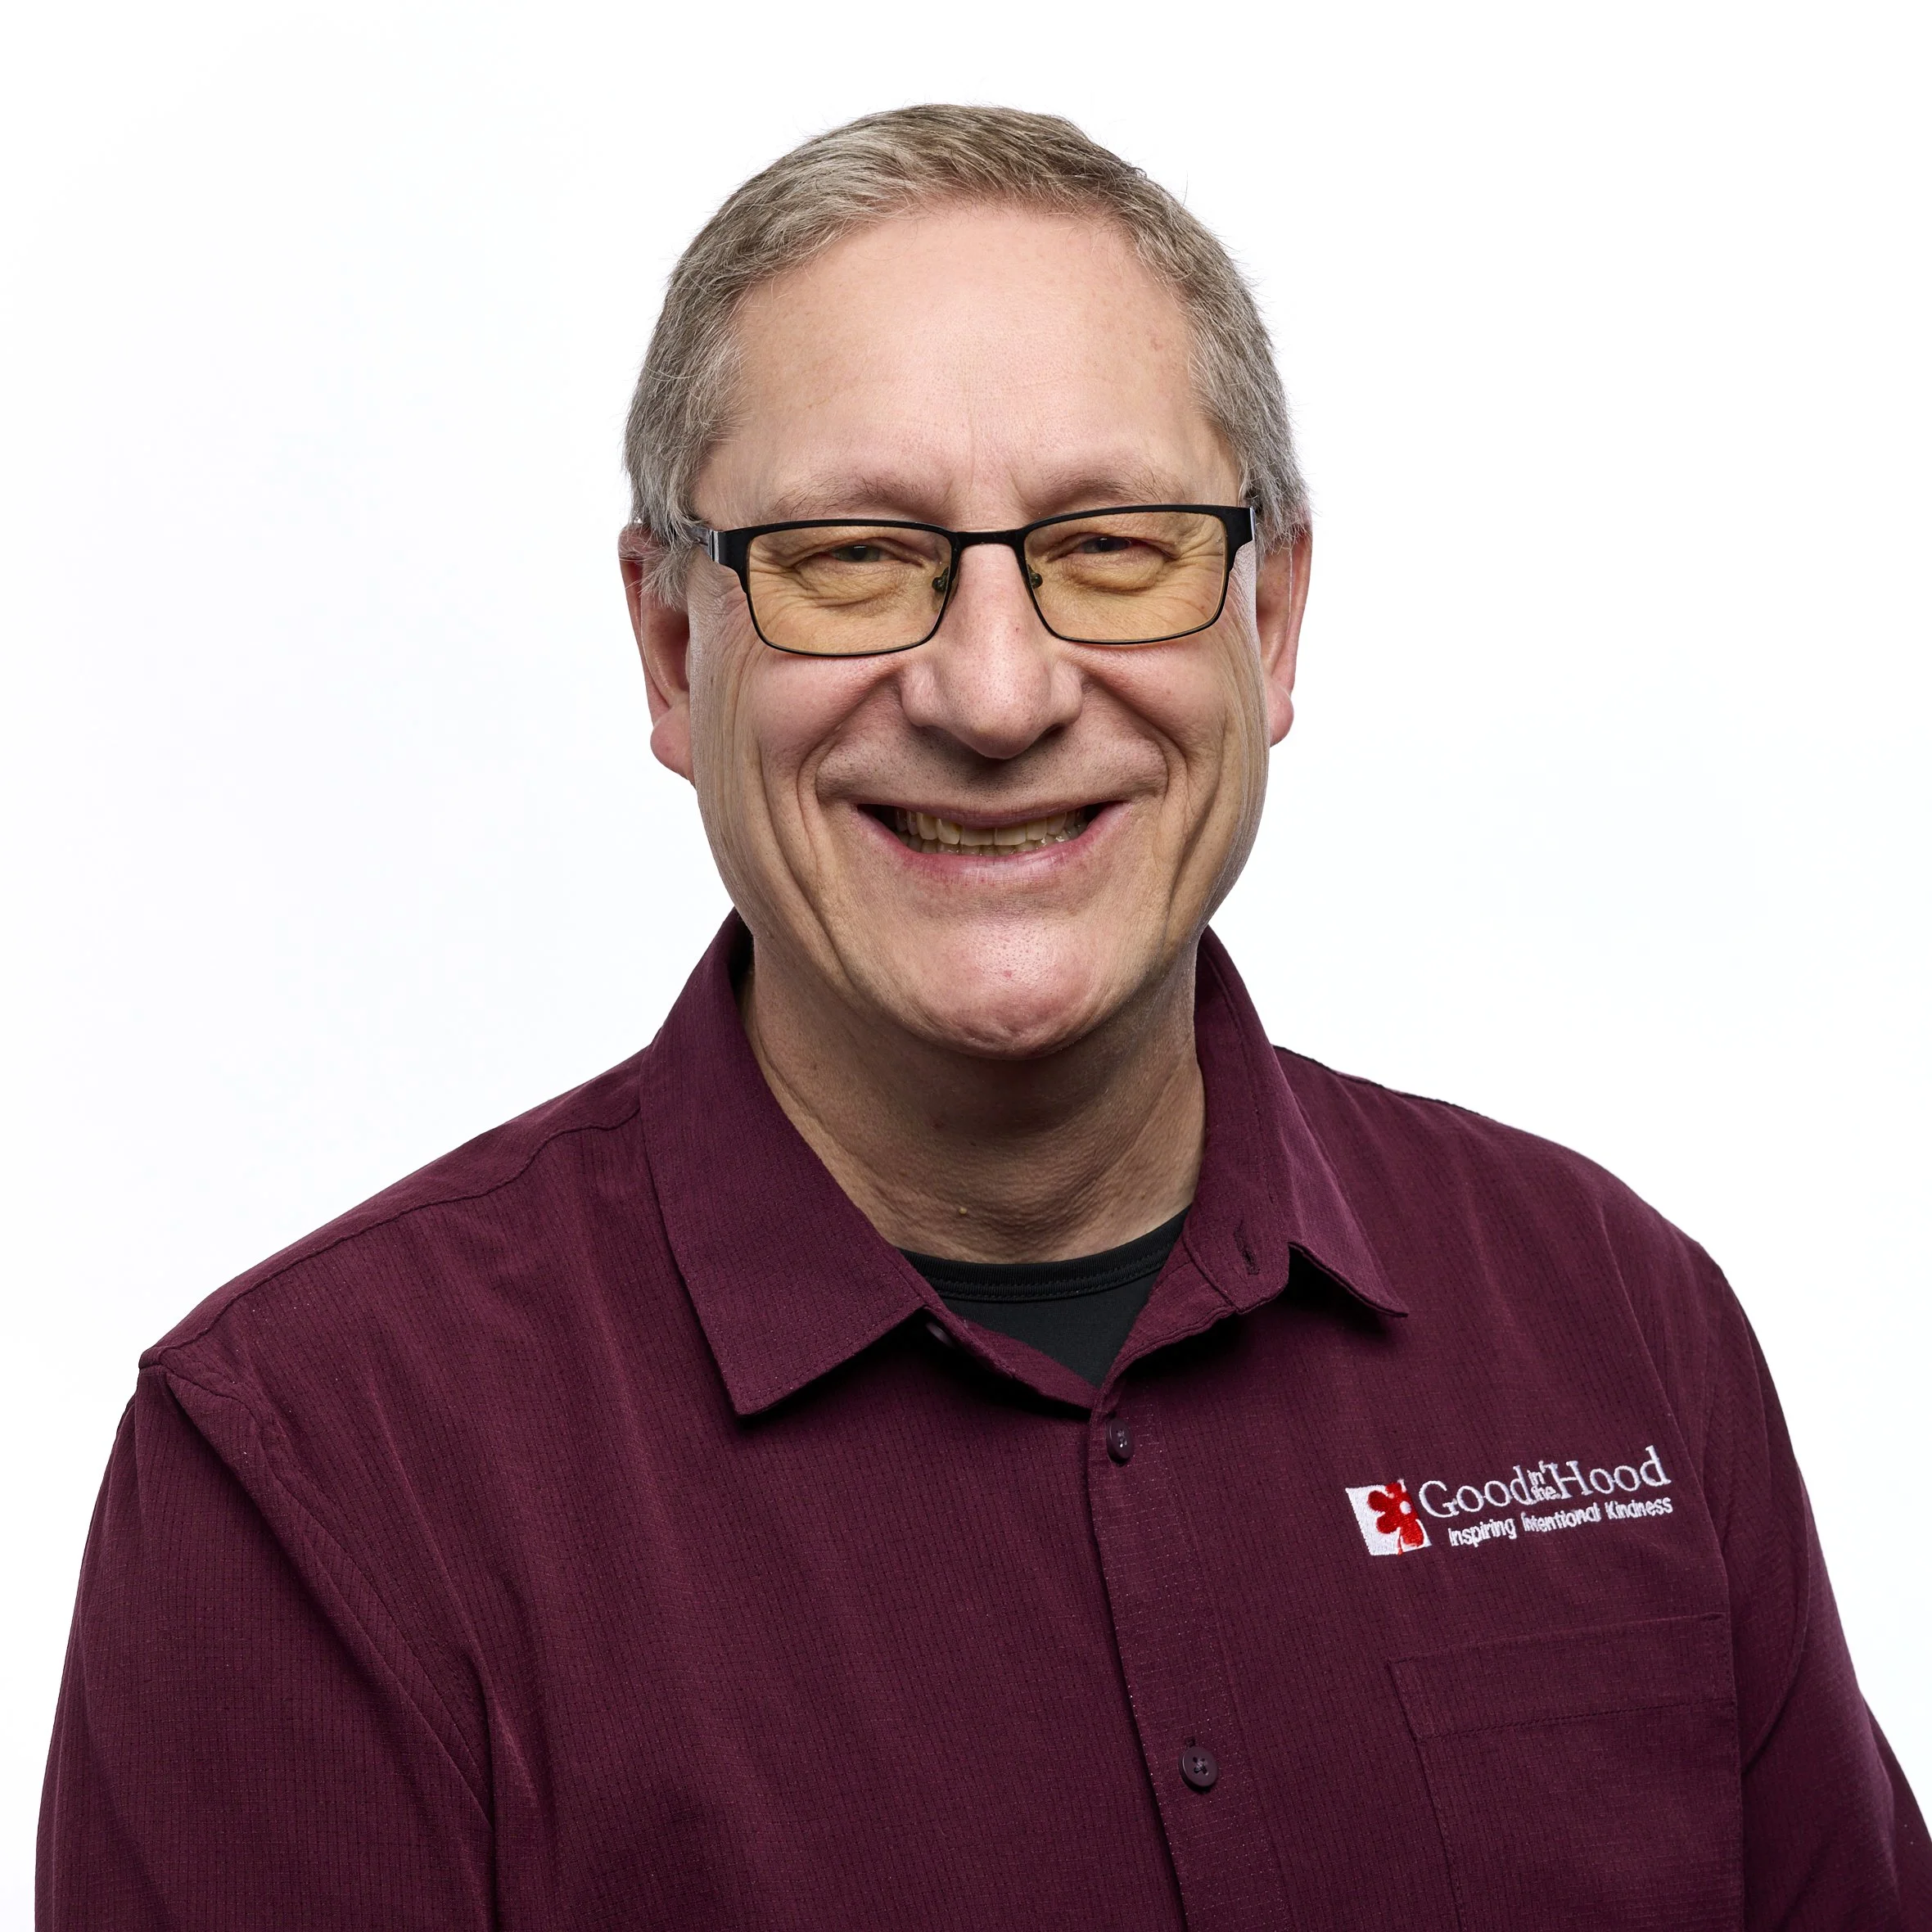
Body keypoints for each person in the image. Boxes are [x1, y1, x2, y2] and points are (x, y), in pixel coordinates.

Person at [38, 103, 1927, 1930]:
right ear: (673, 648)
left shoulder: (1612, 1322)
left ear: (1266, 623)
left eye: (1117, 541)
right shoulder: (309, 1471)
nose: (999, 690)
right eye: (851, 557)